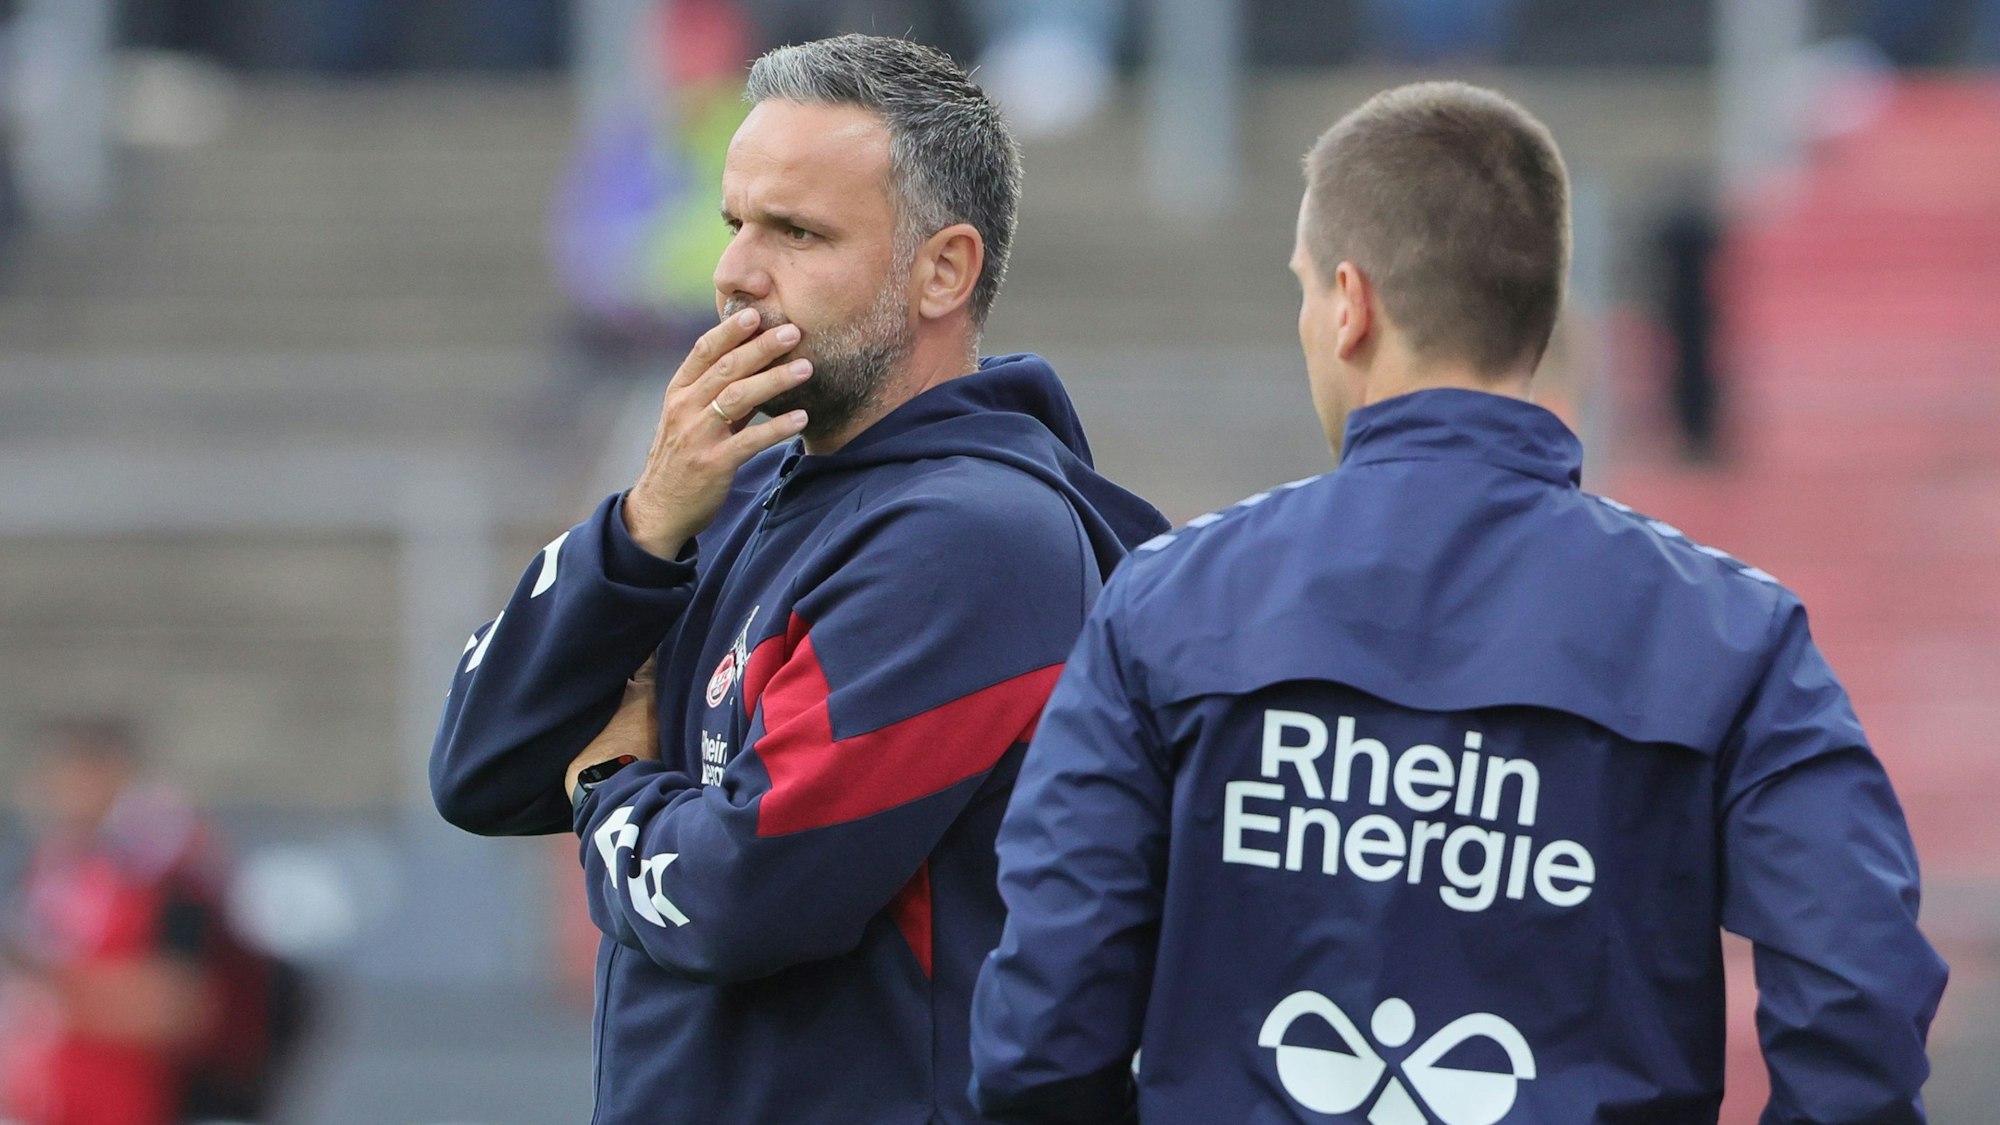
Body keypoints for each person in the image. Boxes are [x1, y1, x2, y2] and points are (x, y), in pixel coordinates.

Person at [968, 81, 1948, 1124]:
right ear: (1534, 314)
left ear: (1348, 303)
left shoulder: (1165, 601)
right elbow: (1857, 999)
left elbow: (1042, 1032)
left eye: (1303, 290)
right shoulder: (1731, 633)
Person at [429, 33, 1166, 1125]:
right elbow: (478, 768)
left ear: (943, 271)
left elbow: (743, 900)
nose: (731, 271)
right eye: (736, 223)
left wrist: (608, 790)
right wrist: (638, 530)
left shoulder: (972, 541)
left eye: (796, 232)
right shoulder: (728, 492)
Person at [0, 721, 280, 1125]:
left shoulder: (164, 875)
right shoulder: (43, 873)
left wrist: (47, 984)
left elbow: (180, 1004)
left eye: (74, 777)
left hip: (124, 1103)